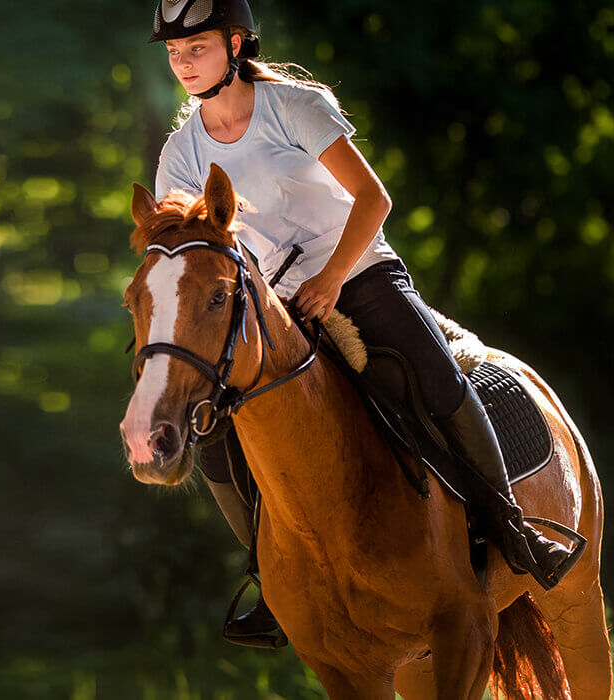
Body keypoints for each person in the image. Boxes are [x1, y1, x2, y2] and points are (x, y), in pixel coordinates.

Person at [145, 0, 580, 649]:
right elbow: (189, 249)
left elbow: (375, 199)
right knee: (213, 432)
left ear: (237, 45)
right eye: (176, 54)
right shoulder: (181, 152)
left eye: (197, 49)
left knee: (435, 379)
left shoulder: (293, 107)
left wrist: (329, 278)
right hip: (269, 302)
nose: (183, 64)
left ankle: (512, 528)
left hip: (355, 268)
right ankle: (270, 573)